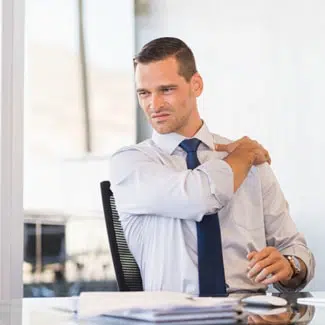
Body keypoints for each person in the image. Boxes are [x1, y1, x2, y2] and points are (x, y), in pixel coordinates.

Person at [110, 37, 315, 296]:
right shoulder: (131, 163)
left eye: (166, 90)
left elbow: (296, 249)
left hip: (250, 313)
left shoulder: (251, 162)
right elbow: (200, 196)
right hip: (171, 315)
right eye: (144, 93)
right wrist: (244, 155)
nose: (154, 104)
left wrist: (289, 266)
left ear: (196, 85)